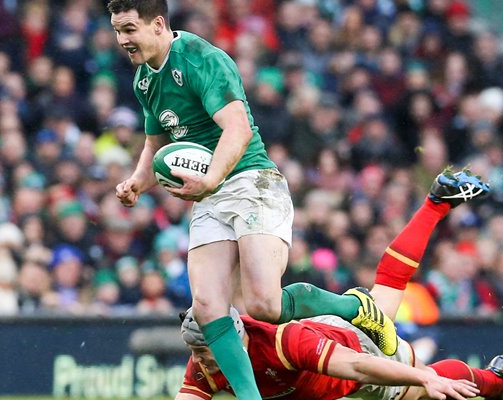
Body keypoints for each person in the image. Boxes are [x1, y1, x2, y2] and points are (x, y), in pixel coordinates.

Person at [108, 1, 398, 398]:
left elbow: (238, 129)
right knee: (207, 306)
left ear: (157, 24)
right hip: (209, 193)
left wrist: (210, 179)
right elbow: (156, 141)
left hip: (250, 181)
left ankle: (358, 308)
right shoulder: (144, 80)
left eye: (128, 30)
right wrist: (138, 181)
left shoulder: (201, 59)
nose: (122, 40)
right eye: (117, 31)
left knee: (264, 304)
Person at [175, 169, 503, 400]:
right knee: (386, 291)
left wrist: (420, 378)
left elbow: (355, 365)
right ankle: (435, 203)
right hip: (326, 330)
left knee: (421, 387)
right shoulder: (207, 354)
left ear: (238, 337)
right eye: (200, 356)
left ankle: (497, 384)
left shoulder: (284, 342)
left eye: (208, 355)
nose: (206, 364)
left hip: (356, 349)